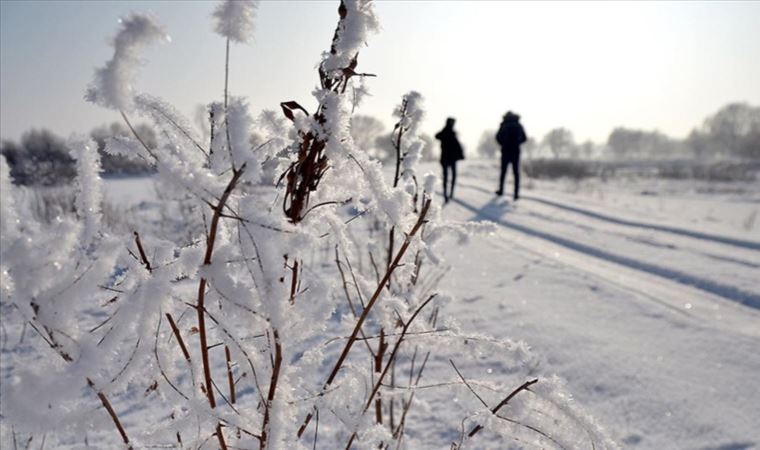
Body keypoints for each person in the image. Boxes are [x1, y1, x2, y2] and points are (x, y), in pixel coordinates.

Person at [495, 111, 526, 200]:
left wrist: (503, 144)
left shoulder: (504, 124)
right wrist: (517, 143)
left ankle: (501, 191)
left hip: (506, 151)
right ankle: (516, 194)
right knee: (516, 173)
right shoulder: (519, 125)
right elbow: (524, 138)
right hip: (516, 151)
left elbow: (497, 137)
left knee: (503, 172)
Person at [435, 117, 464, 203]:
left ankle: (448, 194)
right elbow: (437, 136)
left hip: (449, 158)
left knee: (448, 176)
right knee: (448, 176)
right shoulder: (448, 132)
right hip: (447, 159)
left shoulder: (450, 132)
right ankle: (447, 194)